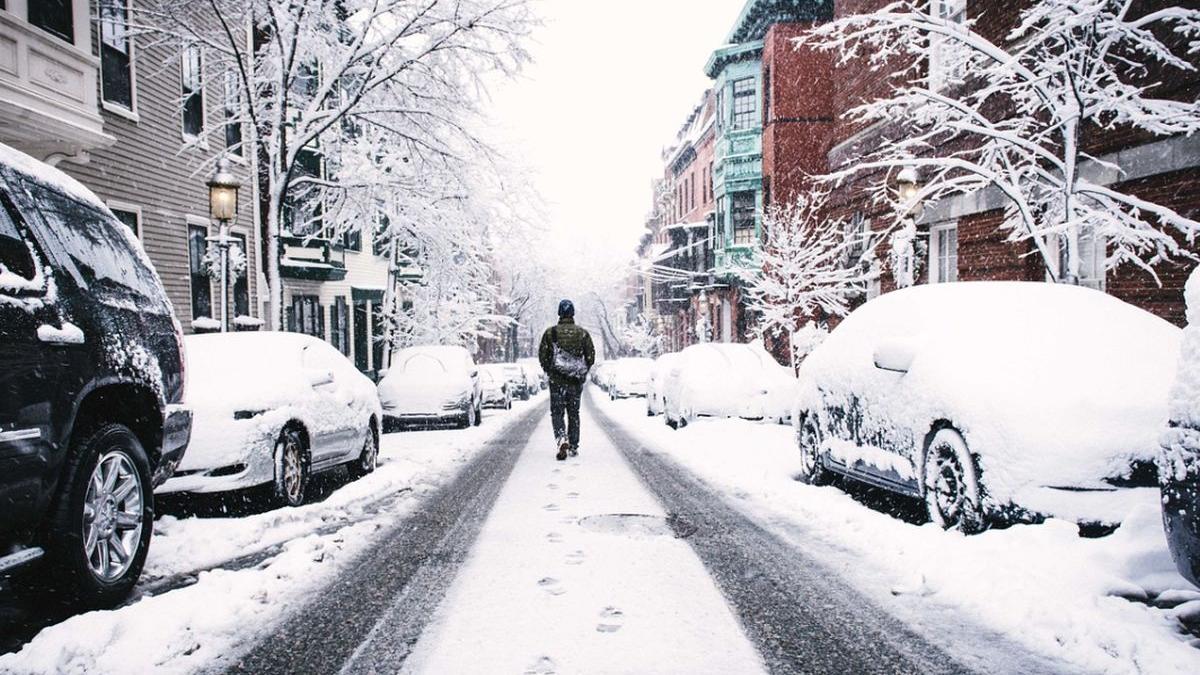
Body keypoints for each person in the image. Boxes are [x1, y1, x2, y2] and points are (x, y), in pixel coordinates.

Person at [538, 299, 596, 461]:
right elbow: (590, 355)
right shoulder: (582, 333)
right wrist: (582, 371)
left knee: (557, 413)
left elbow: (543, 355)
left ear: (559, 313)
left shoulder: (551, 333)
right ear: (573, 313)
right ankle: (573, 445)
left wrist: (550, 370)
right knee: (573, 413)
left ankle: (561, 438)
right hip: (575, 382)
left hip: (557, 381)